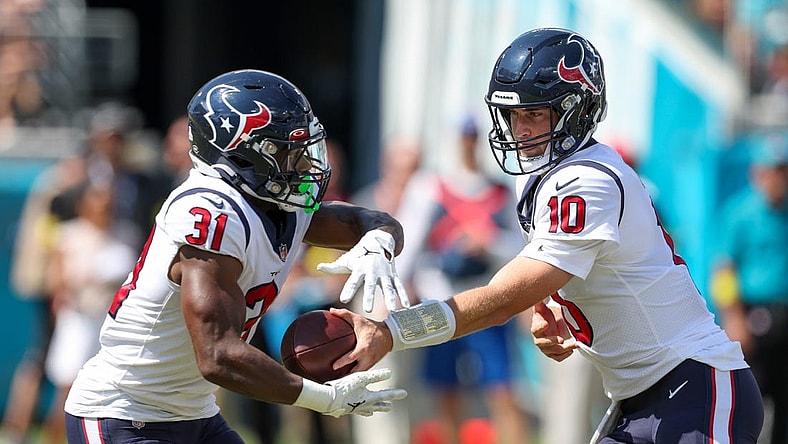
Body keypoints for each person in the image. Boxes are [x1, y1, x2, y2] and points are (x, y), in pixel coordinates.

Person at [329, 28, 765, 443]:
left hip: (692, 386)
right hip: (643, 397)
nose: (520, 130)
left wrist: (392, 331)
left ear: (578, 108)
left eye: (535, 113)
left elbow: (504, 298)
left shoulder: (586, 179)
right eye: (513, 115)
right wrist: (553, 305)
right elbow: (565, 271)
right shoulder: (545, 177)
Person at [63, 69, 408, 444]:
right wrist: (324, 398)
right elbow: (218, 355)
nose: (305, 163)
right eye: (284, 150)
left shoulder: (276, 204)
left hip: (195, 413)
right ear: (242, 155)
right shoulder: (209, 212)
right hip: (125, 412)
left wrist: (378, 243)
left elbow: (367, 219)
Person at [393, 116, 531, 444]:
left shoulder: (499, 190)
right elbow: (408, 245)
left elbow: (525, 247)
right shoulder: (430, 187)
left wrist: (487, 242)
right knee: (446, 393)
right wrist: (398, 290)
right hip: (441, 298)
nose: (466, 143)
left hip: (488, 301)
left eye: (471, 137)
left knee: (502, 390)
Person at [42, 181, 141, 443]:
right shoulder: (69, 235)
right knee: (68, 382)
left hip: (113, 320)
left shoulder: (125, 234)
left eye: (109, 204)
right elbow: (58, 281)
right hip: (78, 317)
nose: (104, 209)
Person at [710, 131, 788, 444]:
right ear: (759, 173)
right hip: (755, 317)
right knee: (749, 403)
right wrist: (734, 317)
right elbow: (724, 271)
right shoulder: (741, 213)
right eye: (775, 170)